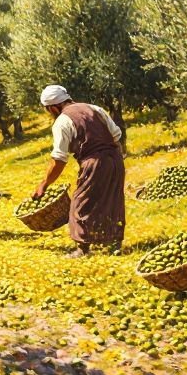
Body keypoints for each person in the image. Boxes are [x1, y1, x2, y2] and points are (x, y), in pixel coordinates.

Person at [31, 85, 126, 257]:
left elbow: (59, 159)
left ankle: (83, 249)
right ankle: (114, 245)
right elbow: (116, 135)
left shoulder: (62, 122)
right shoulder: (94, 108)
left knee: (80, 203)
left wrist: (44, 184)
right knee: (113, 199)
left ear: (53, 108)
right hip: (115, 159)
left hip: (94, 163)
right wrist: (116, 161)